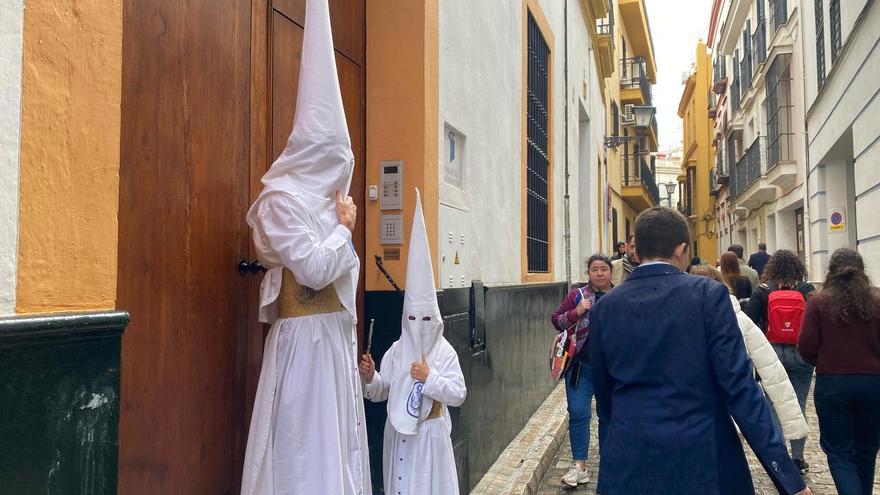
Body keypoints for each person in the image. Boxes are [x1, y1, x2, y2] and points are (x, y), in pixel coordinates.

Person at [240, 1, 371, 493]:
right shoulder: (279, 203)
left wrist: (340, 231)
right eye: (332, 157)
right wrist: (343, 231)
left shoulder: (325, 204)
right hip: (305, 344)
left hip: (334, 340)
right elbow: (315, 269)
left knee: (336, 447)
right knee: (301, 447)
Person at [589, 207, 811, 495]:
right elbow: (740, 389)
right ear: (681, 249)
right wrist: (788, 478)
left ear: (636, 250)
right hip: (704, 457)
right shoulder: (709, 295)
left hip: (630, 455)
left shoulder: (605, 307)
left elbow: (604, 395)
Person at [359, 190, 466, 495]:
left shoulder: (445, 352)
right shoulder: (396, 349)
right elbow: (383, 391)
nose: (420, 327)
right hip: (398, 436)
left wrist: (429, 378)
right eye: (413, 319)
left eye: (426, 320)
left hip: (430, 439)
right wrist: (370, 377)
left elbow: (458, 393)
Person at [690, 265, 809, 442]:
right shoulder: (739, 319)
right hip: (736, 405)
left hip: (693, 412)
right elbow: (771, 371)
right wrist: (793, 424)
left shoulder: (679, 321)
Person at [798, 248, 880, 495]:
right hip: (874, 383)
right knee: (867, 449)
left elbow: (806, 346)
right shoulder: (876, 302)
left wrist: (824, 361)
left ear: (831, 271)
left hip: (832, 383)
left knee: (840, 452)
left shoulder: (819, 302)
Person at [745, 249, 816, 474]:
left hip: (771, 354)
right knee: (798, 404)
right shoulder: (806, 290)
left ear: (771, 268)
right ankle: (798, 457)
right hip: (801, 353)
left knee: (774, 404)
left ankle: (780, 456)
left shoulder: (764, 291)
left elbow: (748, 321)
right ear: (798, 268)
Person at [550, 254, 613, 487]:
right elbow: (556, 321)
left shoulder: (620, 296)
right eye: (594, 269)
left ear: (610, 272)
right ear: (588, 273)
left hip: (609, 369)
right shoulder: (577, 295)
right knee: (578, 413)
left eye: (603, 269)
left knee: (607, 415)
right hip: (580, 367)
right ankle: (579, 466)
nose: (599, 273)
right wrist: (577, 311)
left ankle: (609, 463)